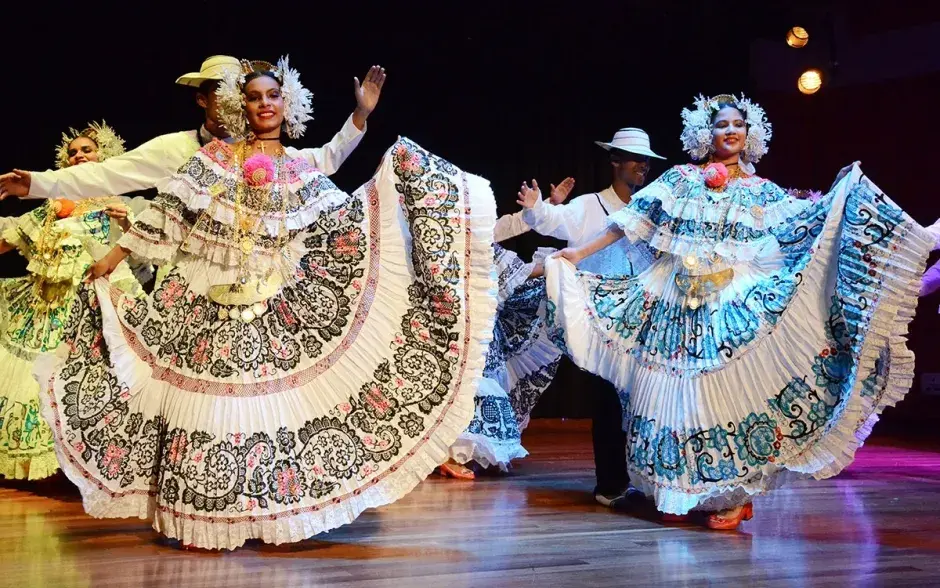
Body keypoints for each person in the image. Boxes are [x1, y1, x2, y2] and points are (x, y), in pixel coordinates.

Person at [34, 57, 498, 551]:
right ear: (241, 106)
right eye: (253, 97)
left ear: (287, 104)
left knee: (266, 415)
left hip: (273, 308)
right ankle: (205, 516)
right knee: (211, 411)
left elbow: (339, 202)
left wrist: (360, 116)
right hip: (211, 304)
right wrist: (113, 255)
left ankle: (268, 513)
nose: (264, 105)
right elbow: (169, 214)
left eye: (272, 96)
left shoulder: (299, 168)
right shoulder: (212, 160)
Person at [545, 93, 936, 529]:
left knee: (722, 400)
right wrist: (577, 253)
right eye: (721, 124)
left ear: (749, 136)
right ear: (704, 134)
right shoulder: (678, 180)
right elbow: (630, 222)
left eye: (738, 125)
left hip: (729, 302)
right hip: (675, 302)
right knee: (681, 402)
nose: (730, 131)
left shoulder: (762, 192)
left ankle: (733, 496)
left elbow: (811, 223)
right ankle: (691, 491)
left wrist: (843, 196)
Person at [515, 128, 664, 509]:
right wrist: (536, 208)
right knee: (608, 402)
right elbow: (554, 221)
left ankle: (645, 480)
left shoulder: (649, 208)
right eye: (634, 159)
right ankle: (610, 485)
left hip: (642, 319)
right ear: (615, 161)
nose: (642, 166)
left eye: (645, 160)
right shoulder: (591, 205)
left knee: (643, 403)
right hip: (601, 321)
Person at [0, 55, 384, 201]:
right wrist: (35, 183)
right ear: (202, 99)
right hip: (190, 287)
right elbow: (102, 176)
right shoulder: (173, 149)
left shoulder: (262, 153)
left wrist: (360, 116)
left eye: (236, 91)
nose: (229, 99)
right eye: (218, 92)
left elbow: (324, 159)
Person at [0, 122, 143, 480]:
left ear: (104, 157)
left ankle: (98, 462)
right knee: (38, 375)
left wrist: (128, 224)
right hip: (48, 306)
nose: (78, 155)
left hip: (98, 304)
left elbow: (146, 251)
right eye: (73, 152)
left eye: (87, 150)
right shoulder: (52, 207)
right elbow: (10, 237)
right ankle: (48, 462)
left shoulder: (119, 203)